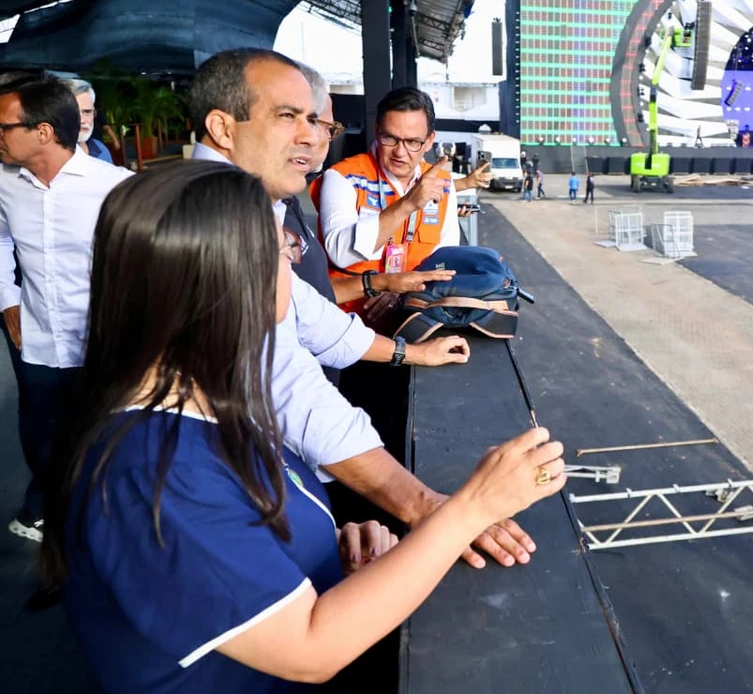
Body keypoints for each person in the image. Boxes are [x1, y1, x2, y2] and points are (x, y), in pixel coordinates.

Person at [42, 161, 567, 693]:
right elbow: (308, 651)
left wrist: (322, 551)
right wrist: (472, 506)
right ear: (224, 280)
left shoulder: (212, 403)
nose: (292, 268)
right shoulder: (153, 474)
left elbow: (224, 552)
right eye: (281, 252)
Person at [188, 49, 533, 568]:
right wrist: (432, 509)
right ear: (222, 127)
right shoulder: (211, 220)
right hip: (229, 482)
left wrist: (412, 353)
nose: (312, 137)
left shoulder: (249, 204)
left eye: (318, 121)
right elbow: (284, 379)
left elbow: (311, 315)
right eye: (290, 117)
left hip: (301, 420)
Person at [0, 75, 132, 543]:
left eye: (3, 127)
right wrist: (8, 298)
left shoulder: (116, 187)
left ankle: (108, 531)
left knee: (104, 440)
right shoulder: (5, 182)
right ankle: (56, 525)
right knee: (42, 437)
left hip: (102, 344)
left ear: (42, 132)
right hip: (34, 340)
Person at [314, 87, 491, 313]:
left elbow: (445, 263)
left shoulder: (442, 184)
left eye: (413, 142)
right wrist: (407, 204)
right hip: (344, 320)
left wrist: (401, 290)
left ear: (429, 141)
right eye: (391, 138)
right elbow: (340, 253)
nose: (400, 152)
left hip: (410, 314)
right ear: (378, 131)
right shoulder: (342, 177)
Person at [66, 79, 114, 164]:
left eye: (87, 112)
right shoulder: (44, 158)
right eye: (73, 113)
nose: (82, 120)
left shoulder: (101, 150)